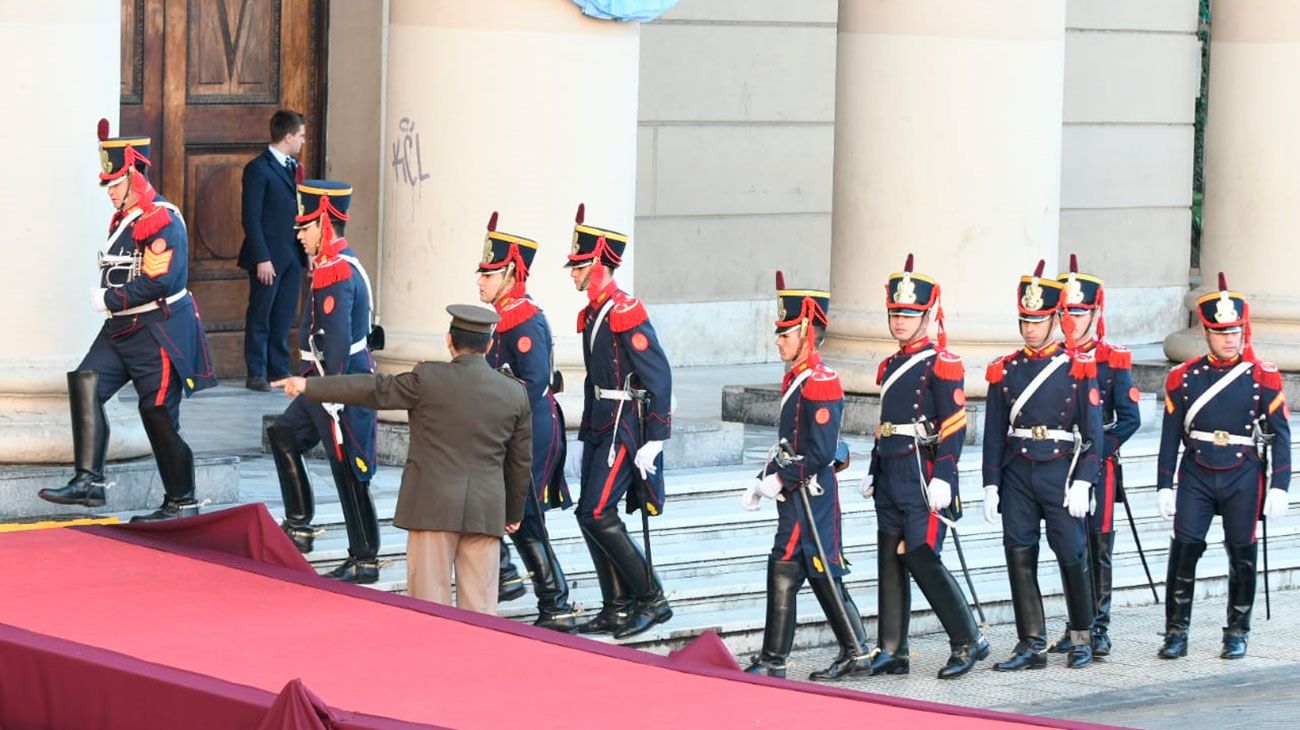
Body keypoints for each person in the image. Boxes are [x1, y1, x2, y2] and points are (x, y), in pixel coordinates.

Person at [274, 305, 531, 614]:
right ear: (489, 346)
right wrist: (513, 513)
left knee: (429, 609)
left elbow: (371, 389)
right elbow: (519, 463)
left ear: (449, 341)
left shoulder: (428, 378)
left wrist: (309, 385)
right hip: (486, 511)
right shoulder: (514, 392)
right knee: (480, 611)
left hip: (431, 508)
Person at [38, 120, 217, 521]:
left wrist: (108, 297)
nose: (111, 192)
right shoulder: (128, 216)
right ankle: (88, 481)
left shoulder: (160, 219)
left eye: (116, 183)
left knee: (156, 414)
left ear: (135, 177)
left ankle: (181, 499)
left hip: (157, 330)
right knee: (86, 383)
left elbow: (161, 280)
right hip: (121, 329)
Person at [859, 254, 989, 679]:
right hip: (892, 472)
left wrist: (946, 477)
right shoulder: (892, 363)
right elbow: (885, 425)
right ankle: (893, 648)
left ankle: (969, 639)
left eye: (910, 314)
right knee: (889, 559)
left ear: (928, 314)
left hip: (921, 473)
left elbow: (954, 423)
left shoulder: (941, 362)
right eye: (896, 313)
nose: (900, 321)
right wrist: (873, 468)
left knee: (921, 555)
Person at [1155, 273, 1290, 660]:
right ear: (1207, 334)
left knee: (1241, 554)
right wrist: (1165, 483)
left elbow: (1280, 434)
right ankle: (1176, 631)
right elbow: (1169, 436)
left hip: (1243, 473)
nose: (1229, 339)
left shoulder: (1263, 376)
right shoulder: (1183, 378)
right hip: (1196, 471)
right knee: (1184, 550)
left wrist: (1280, 486)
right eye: (1220, 332)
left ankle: (1236, 631)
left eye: (1235, 331)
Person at [742, 275, 867, 681]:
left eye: (785, 333)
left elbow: (819, 452)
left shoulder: (821, 381)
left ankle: (785, 658)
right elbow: (789, 441)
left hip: (810, 493)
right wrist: (764, 478)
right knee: (802, 568)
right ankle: (846, 652)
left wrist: (781, 478)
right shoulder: (798, 377)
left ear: (807, 335)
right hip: (795, 491)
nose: (777, 341)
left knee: (808, 566)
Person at [982, 260, 1103, 670]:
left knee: (1071, 553)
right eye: (1024, 320)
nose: (1030, 328)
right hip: (1017, 469)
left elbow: (1092, 433)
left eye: (1038, 320)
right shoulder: (1006, 368)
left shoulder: (1077, 366)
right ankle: (1030, 642)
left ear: (1055, 318)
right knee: (1019, 553)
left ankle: (1083, 635)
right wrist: (990, 484)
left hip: (1059, 470)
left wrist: (1085, 479)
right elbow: (995, 430)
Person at [566, 203, 673, 640]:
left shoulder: (625, 310)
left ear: (598, 265)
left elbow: (658, 375)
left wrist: (657, 437)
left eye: (578, 266)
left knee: (596, 510)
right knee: (586, 513)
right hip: (599, 420)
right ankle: (617, 605)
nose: (572, 273)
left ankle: (651, 597)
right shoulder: (595, 311)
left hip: (624, 425)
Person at [266, 180, 380, 584]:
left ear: (325, 224)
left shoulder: (336, 271)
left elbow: (334, 348)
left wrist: (321, 390)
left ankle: (364, 557)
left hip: (338, 384)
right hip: (325, 380)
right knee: (283, 435)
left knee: (348, 466)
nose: (299, 235)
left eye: (306, 227)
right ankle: (299, 525)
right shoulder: (336, 265)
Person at [476, 211, 578, 631]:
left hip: (532, 431)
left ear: (511, 275)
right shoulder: (505, 315)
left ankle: (556, 602)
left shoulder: (522, 318)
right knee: (502, 507)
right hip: (512, 430)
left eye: (488, 274)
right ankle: (508, 576)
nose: (480, 281)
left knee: (526, 515)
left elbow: (532, 382)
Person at [1046, 255, 1140, 657]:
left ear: (1095, 312)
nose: (1072, 319)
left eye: (1079, 312)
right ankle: (1075, 624)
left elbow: (1130, 418)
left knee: (1098, 547)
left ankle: (1097, 626)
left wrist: (1097, 447)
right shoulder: (1051, 358)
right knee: (1070, 546)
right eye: (1065, 311)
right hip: (1056, 463)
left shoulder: (1111, 359)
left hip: (1097, 466)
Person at [240, 109, 307, 391]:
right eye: (301, 135)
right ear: (288, 136)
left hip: (293, 255)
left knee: (283, 315)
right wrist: (262, 257)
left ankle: (277, 368)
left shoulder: (294, 167)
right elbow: (250, 217)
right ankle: (256, 371)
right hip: (268, 256)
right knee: (261, 313)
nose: (303, 141)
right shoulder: (259, 168)